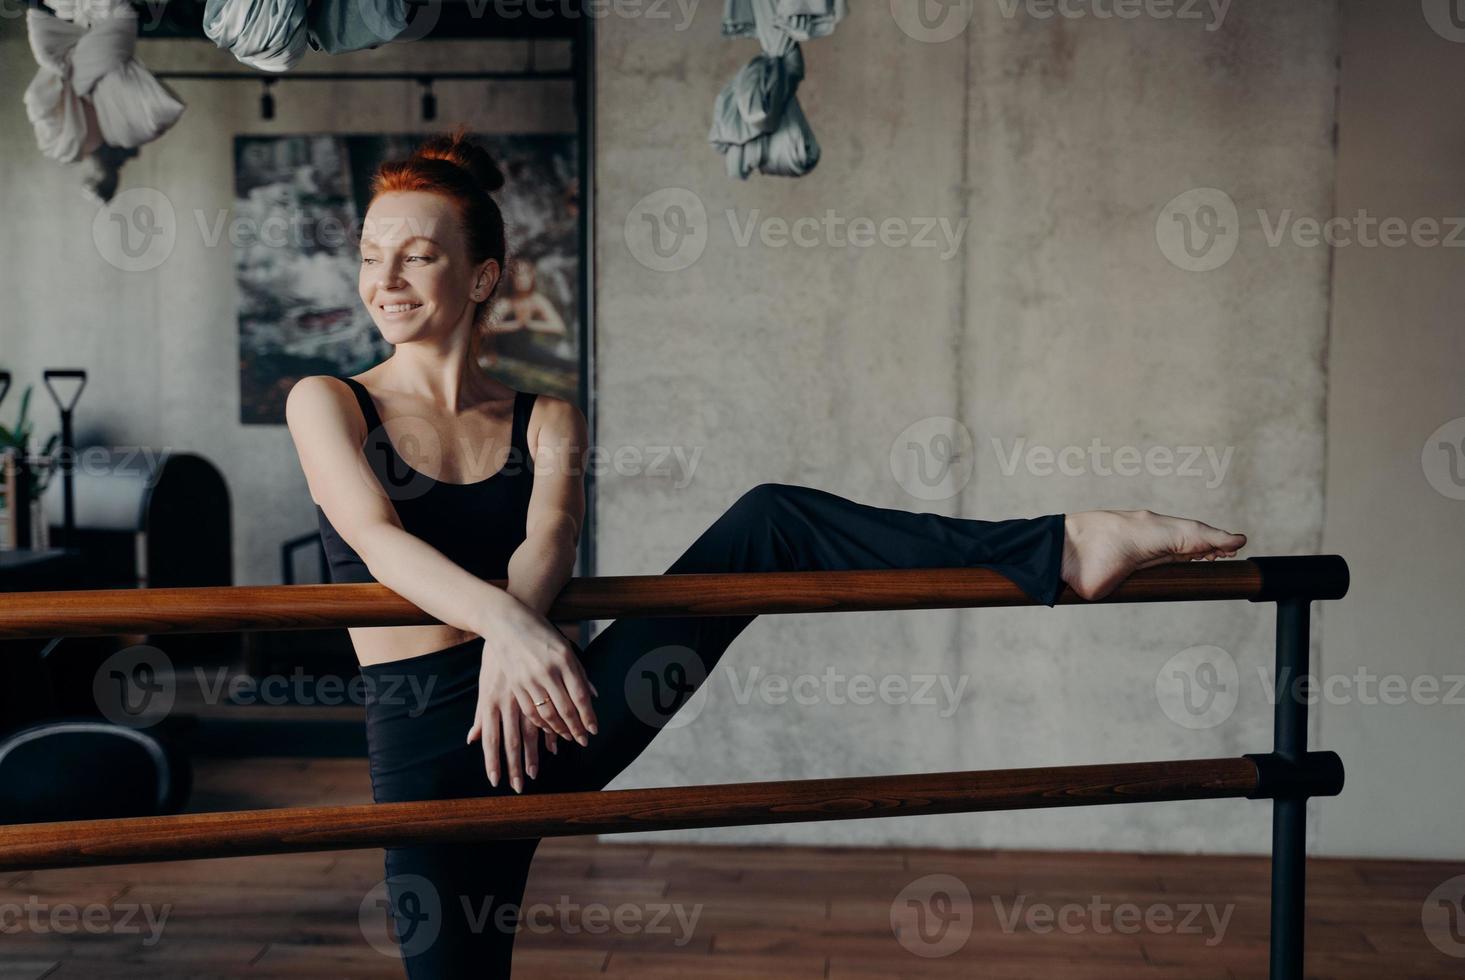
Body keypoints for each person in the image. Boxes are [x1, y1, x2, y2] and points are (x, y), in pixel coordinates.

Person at [284, 125, 1246, 978]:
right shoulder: (330, 400)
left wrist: (517, 640)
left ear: (483, 276)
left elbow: (551, 542)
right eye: (372, 257)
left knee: (771, 516)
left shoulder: (547, 417)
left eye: (417, 257)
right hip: (424, 738)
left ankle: (1066, 545)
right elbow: (375, 539)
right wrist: (507, 628)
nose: (386, 282)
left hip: (555, 712)